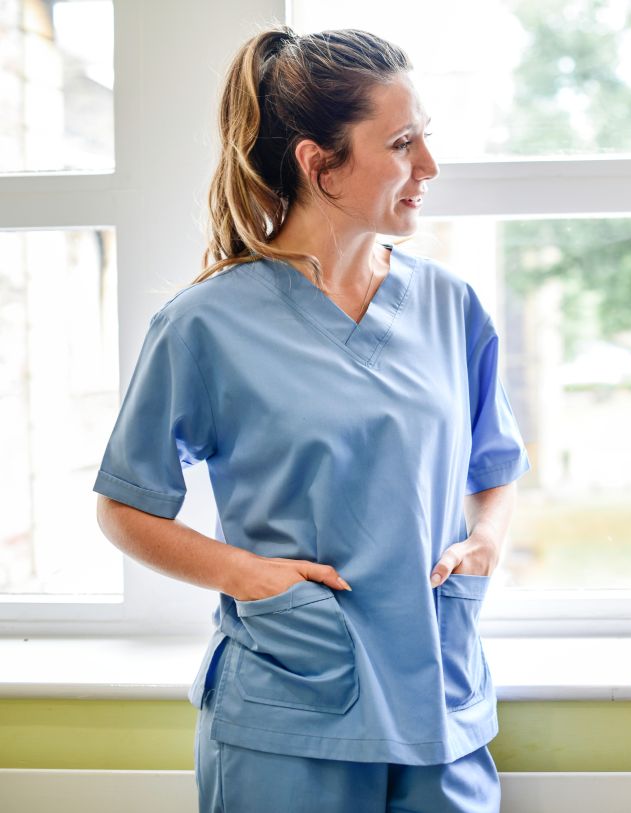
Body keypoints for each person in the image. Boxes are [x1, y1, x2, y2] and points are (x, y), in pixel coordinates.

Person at [93, 27, 528, 813]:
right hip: (290, 712)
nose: (428, 165)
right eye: (402, 143)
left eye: (425, 137)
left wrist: (486, 543)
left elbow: (493, 468)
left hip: (442, 704)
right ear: (318, 163)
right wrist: (248, 576)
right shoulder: (206, 325)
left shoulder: (449, 306)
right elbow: (124, 506)